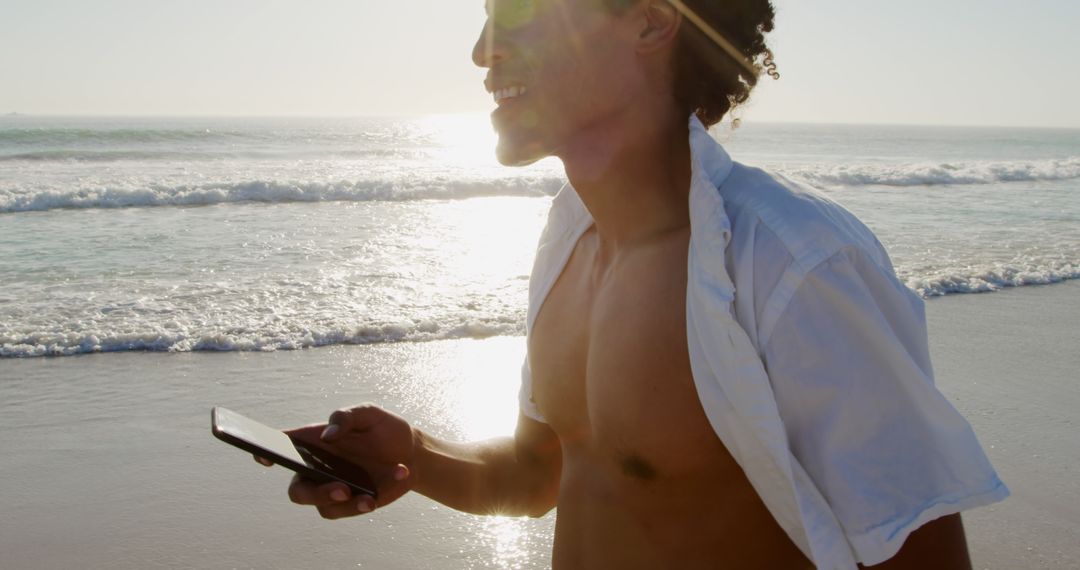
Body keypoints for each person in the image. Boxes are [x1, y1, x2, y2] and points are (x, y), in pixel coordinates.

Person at [261, 0, 1008, 567]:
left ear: (651, 22)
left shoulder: (791, 262)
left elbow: (922, 555)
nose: (482, 51)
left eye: (515, 11)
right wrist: (412, 457)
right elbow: (535, 478)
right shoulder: (570, 240)